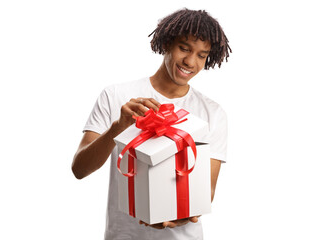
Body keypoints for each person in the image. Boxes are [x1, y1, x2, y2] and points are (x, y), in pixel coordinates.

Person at [72, 8, 231, 240]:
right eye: (184, 48)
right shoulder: (116, 95)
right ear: (167, 43)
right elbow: (80, 169)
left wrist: (179, 217)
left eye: (201, 55)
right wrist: (119, 126)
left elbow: (207, 191)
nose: (190, 61)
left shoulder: (213, 113)